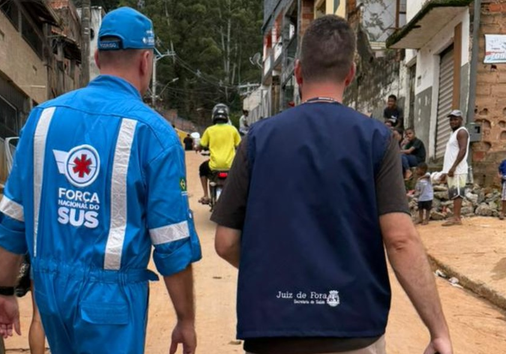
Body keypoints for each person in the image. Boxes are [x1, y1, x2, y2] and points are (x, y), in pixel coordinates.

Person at [212, 15, 452, 354]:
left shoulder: (257, 139)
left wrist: (277, 274)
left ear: (297, 72)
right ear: (350, 73)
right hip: (352, 329)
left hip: (273, 330)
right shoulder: (376, 139)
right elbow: (399, 239)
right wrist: (438, 331)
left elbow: (225, 243)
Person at [0, 7, 201, 354]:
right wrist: (185, 320)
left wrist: (4, 290)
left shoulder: (42, 120)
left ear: (98, 57)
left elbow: (12, 216)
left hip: (50, 294)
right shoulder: (155, 135)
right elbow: (171, 241)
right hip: (111, 304)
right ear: (146, 61)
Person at [197, 103, 241, 205]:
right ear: (227, 117)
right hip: (230, 166)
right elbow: (240, 145)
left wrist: (197, 147)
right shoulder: (233, 129)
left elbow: (202, 144)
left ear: (213, 117)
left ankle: (206, 195)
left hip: (214, 166)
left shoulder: (209, 130)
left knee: (202, 168)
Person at [433, 110, 470, 227]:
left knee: (458, 193)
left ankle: (457, 218)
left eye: (455, 119)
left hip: (458, 170)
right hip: (452, 170)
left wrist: (453, 167)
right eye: (451, 119)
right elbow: (451, 154)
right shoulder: (454, 134)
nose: (453, 121)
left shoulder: (462, 132)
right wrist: (445, 171)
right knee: (454, 193)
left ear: (461, 120)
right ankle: (455, 216)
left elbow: (462, 150)